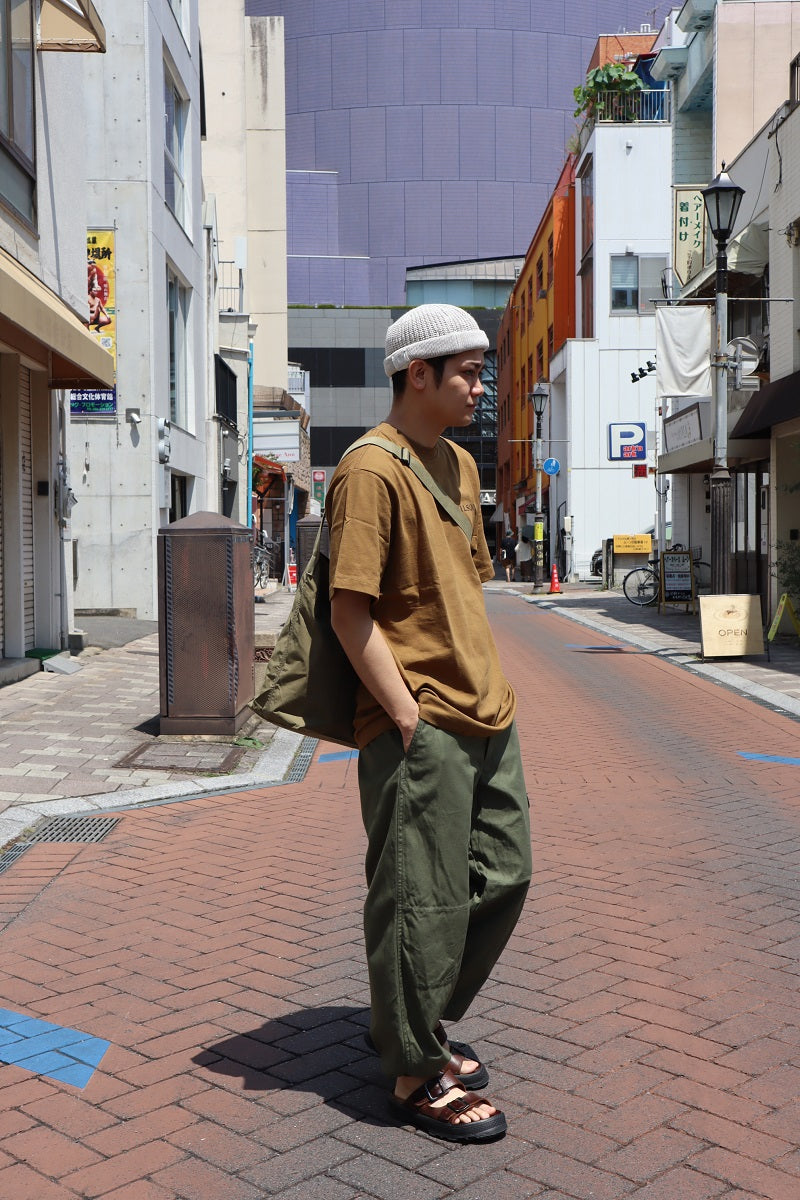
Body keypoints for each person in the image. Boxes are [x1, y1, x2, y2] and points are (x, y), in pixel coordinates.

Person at [327, 303, 532, 1143]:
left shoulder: (457, 467)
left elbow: (465, 587)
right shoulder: (371, 470)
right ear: (419, 374)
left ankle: (414, 1019)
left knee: (504, 873)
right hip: (422, 719)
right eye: (469, 373)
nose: (481, 389)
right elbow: (350, 612)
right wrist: (407, 716)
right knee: (422, 896)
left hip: (486, 709)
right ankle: (413, 1073)